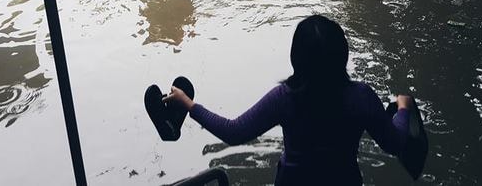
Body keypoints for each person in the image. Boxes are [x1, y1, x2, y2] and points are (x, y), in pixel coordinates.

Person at [164, 15, 414, 185]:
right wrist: (403, 109)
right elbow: (395, 143)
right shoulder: (361, 97)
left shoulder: (285, 98)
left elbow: (234, 132)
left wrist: (188, 104)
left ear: (297, 57)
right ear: (342, 56)